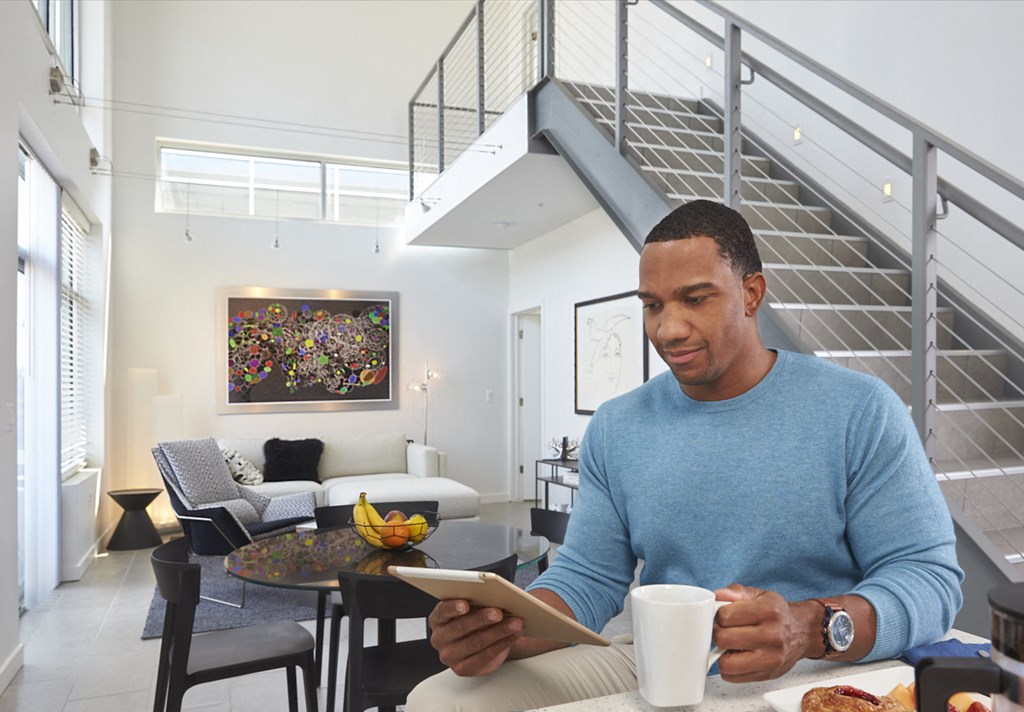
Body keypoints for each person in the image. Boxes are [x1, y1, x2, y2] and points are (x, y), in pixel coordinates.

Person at [407, 199, 964, 711]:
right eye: (652, 305)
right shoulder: (618, 425)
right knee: (441, 700)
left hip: (812, 669)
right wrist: (503, 631)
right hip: (656, 657)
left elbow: (929, 578)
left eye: (695, 299)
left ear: (751, 293)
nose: (668, 329)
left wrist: (810, 627)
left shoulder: (859, 410)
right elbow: (588, 577)